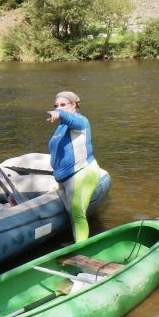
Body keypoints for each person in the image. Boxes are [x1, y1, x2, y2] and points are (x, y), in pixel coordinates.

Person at [46, 91, 102, 243]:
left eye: (62, 105)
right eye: (56, 105)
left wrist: (60, 114)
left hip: (81, 173)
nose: (58, 108)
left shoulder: (80, 121)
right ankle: (77, 243)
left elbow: (73, 121)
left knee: (77, 215)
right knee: (72, 215)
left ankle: (81, 250)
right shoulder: (61, 127)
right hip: (64, 178)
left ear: (74, 105)